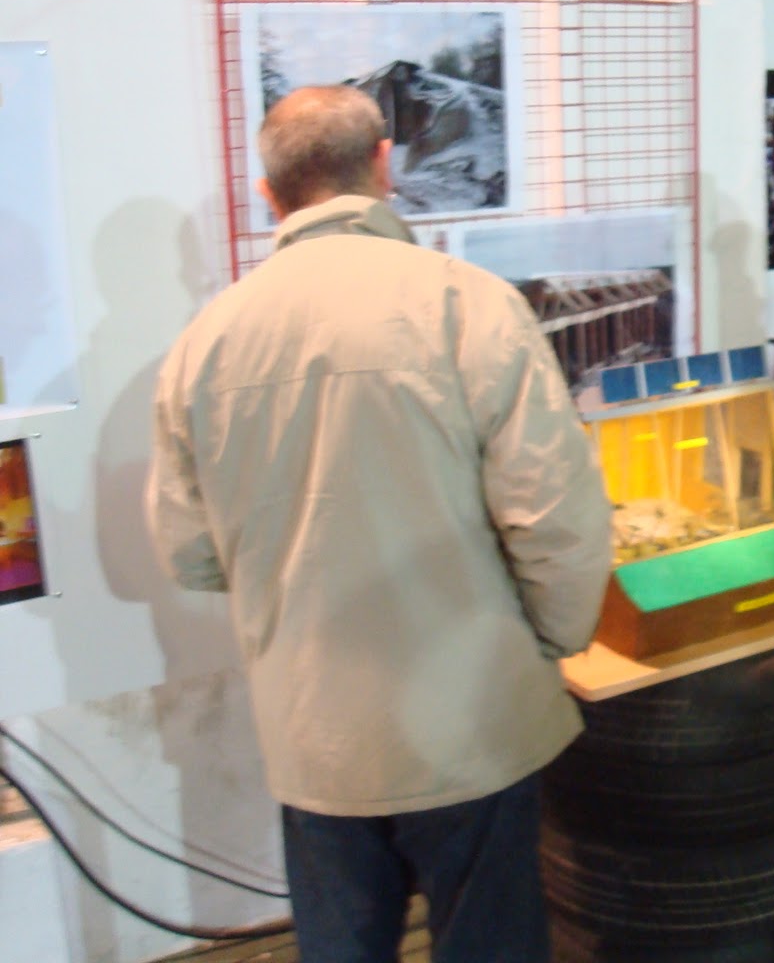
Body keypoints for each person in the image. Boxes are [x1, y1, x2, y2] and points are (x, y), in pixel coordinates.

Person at [144, 86, 613, 963]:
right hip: (470, 714)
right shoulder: (469, 305)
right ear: (385, 165)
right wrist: (549, 641)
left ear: (269, 192)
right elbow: (557, 517)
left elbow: (188, 552)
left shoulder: (205, 342)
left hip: (315, 730)